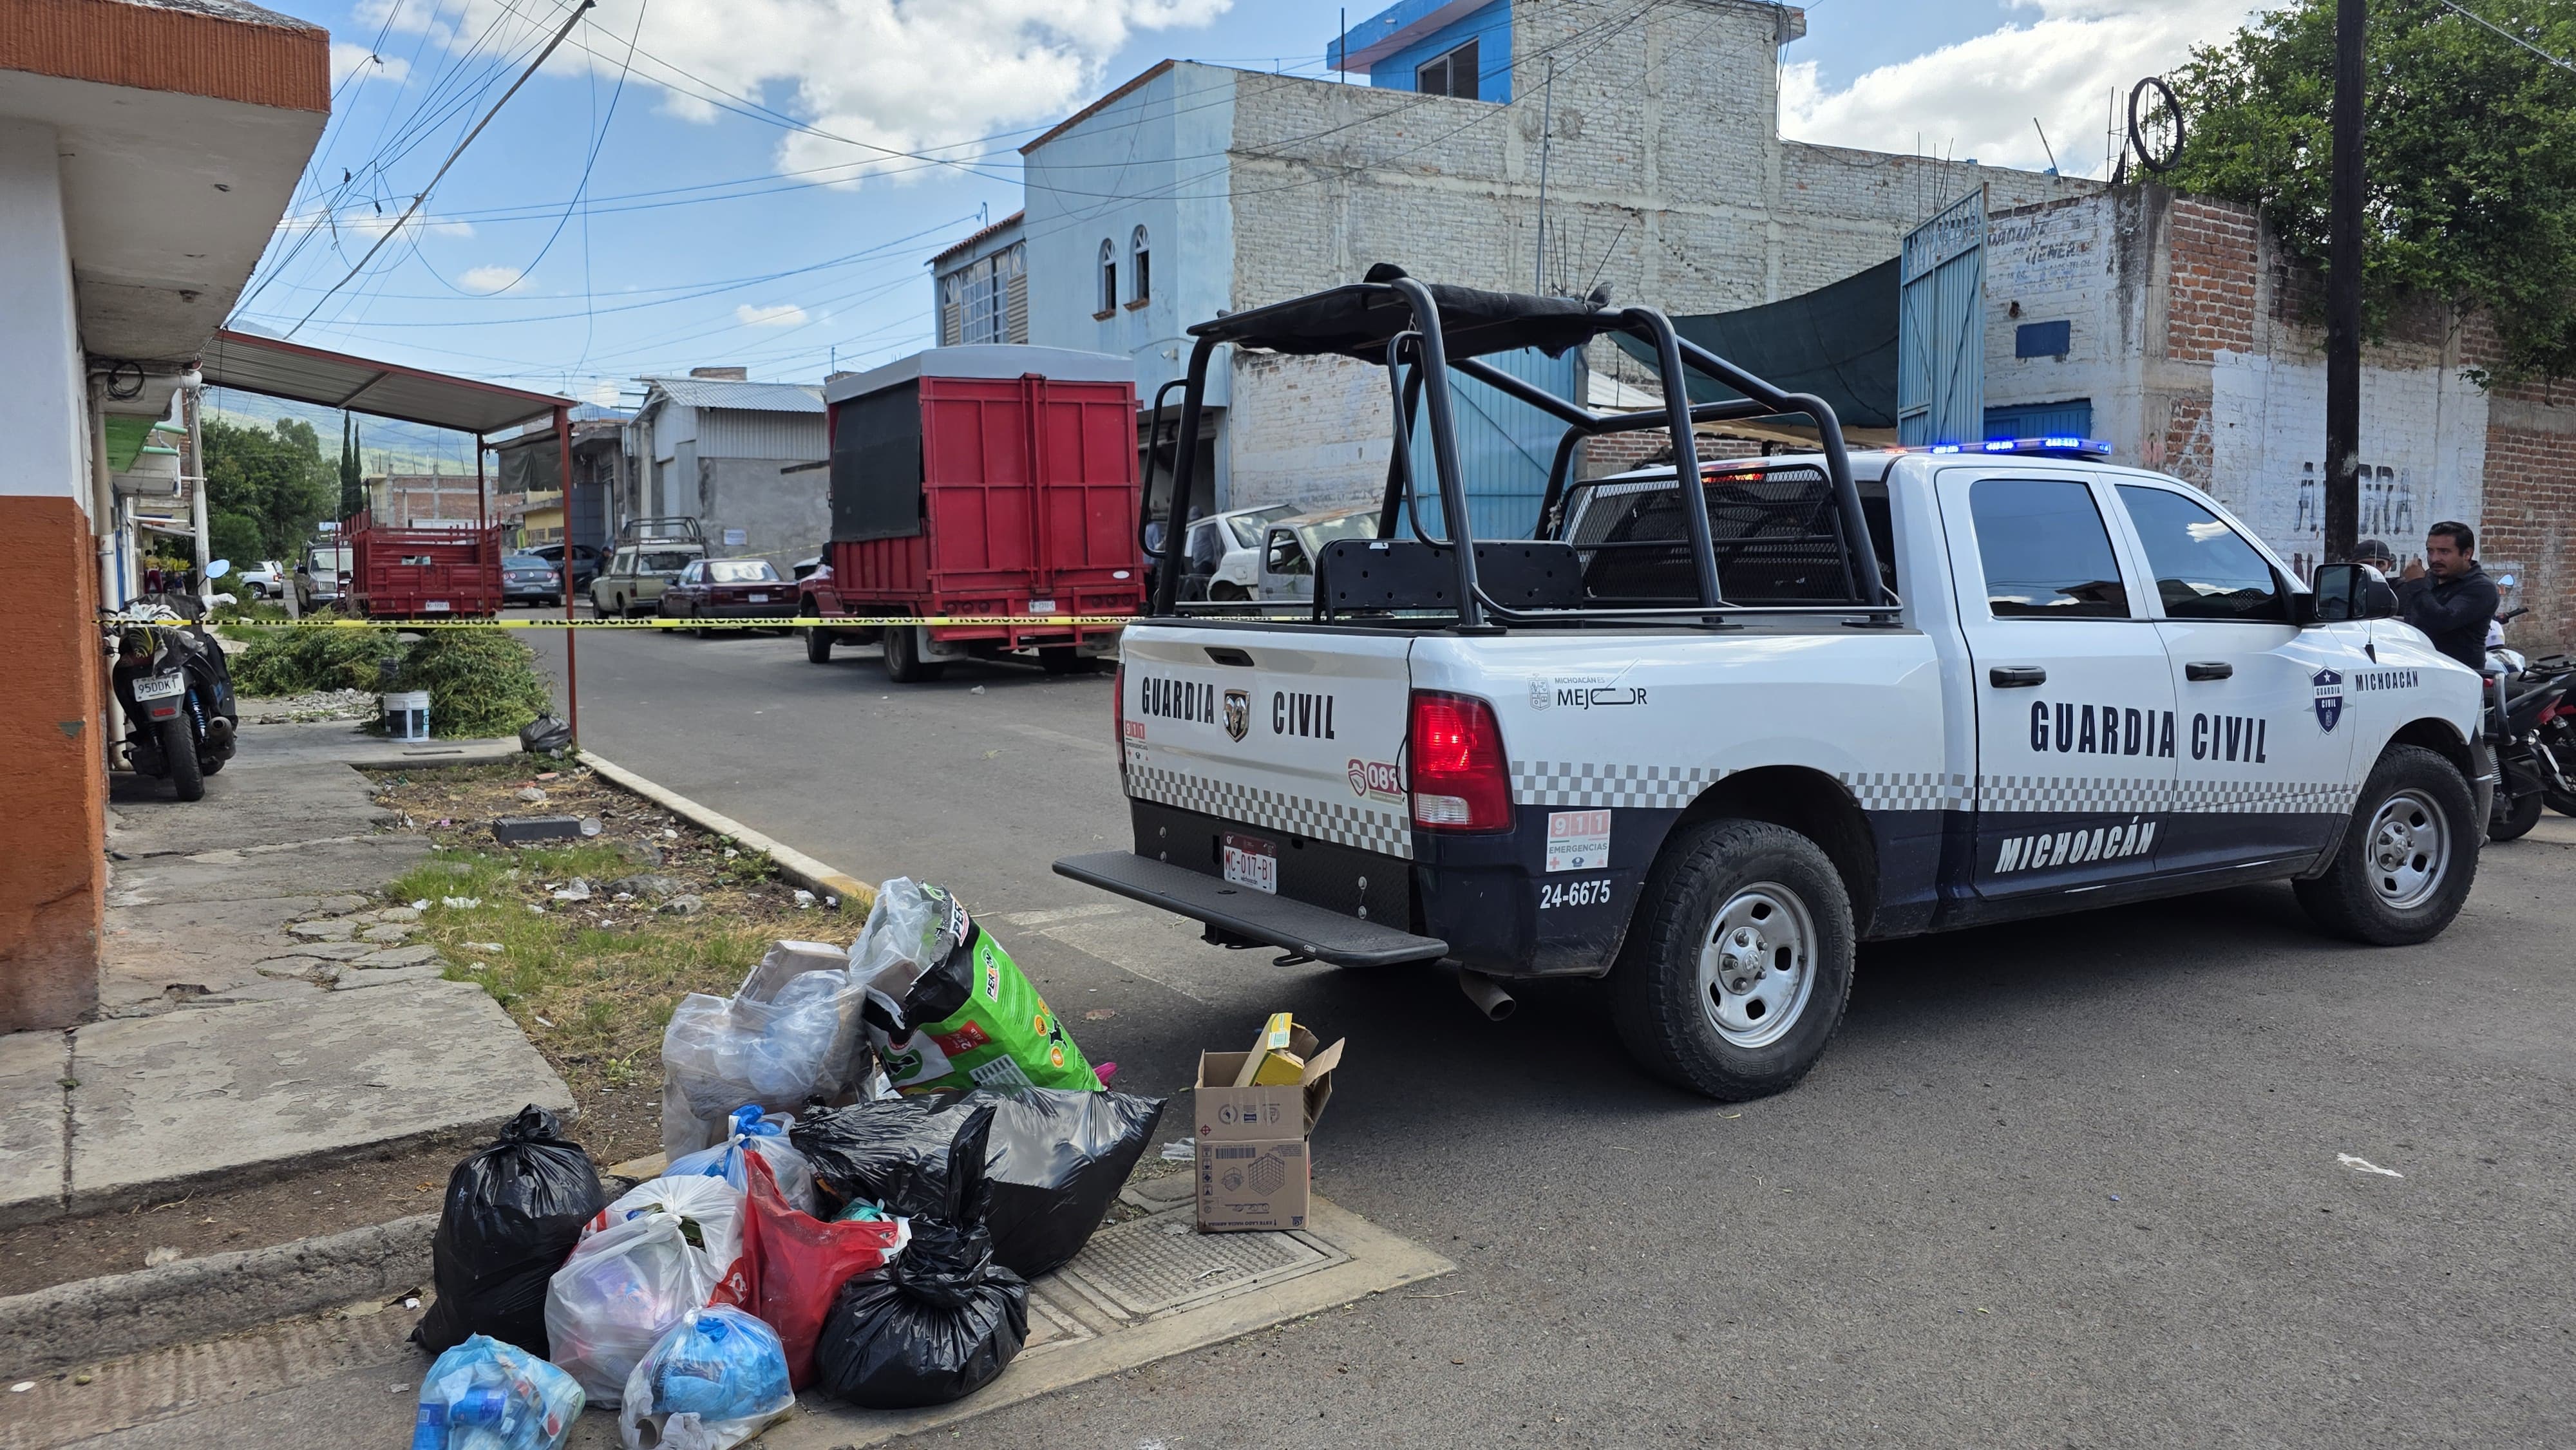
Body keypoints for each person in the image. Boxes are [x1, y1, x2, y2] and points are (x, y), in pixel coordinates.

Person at [2396, 520, 2500, 672]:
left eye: (2444, 552)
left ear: (2467, 554)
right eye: (2430, 551)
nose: (2434, 559)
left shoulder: (2482, 587)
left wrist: (2417, 585)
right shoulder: (2428, 578)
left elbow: (2441, 621)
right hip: (2420, 670)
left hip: (2460, 677)